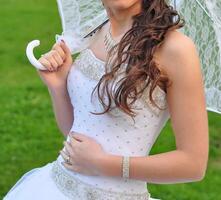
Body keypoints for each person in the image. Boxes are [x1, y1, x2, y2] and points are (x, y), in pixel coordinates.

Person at [3, 0, 209, 199]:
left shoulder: (175, 49)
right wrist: (58, 87)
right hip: (55, 188)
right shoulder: (94, 31)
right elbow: (75, 134)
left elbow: (193, 164)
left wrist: (102, 163)